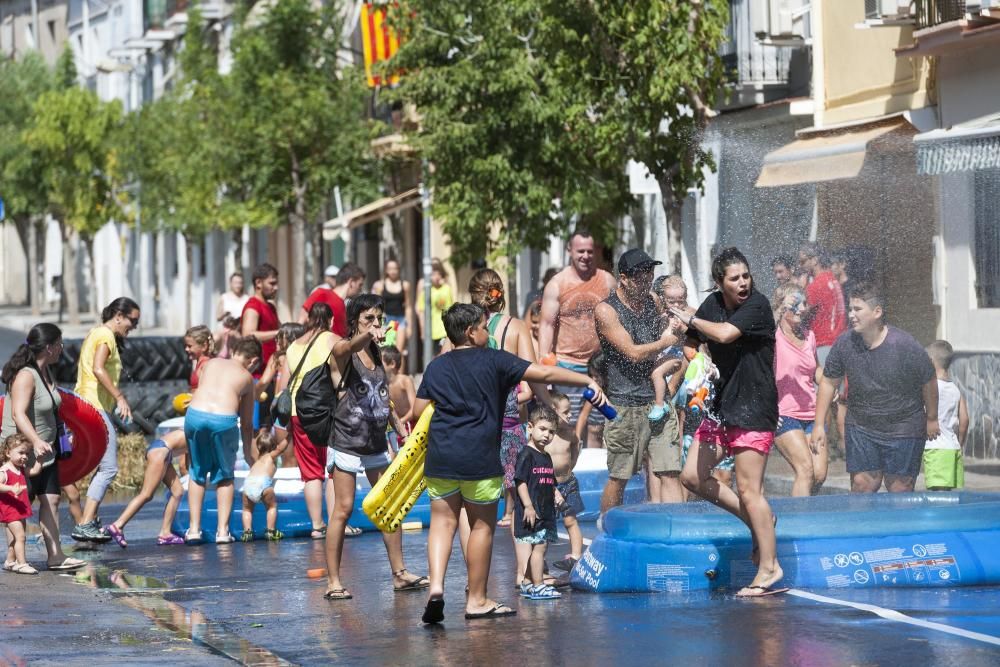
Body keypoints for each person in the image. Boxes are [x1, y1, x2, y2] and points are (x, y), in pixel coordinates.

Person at [413, 303, 607, 624]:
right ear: (469, 332)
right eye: (483, 327)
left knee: (442, 523)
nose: (487, 332)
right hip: (480, 458)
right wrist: (585, 381)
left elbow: (420, 411)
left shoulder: (437, 366)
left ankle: (436, 587)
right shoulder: (495, 360)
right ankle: (476, 600)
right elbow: (542, 373)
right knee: (481, 526)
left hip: (441, 456)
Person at [669, 247, 784, 597]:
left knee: (751, 490)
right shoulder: (713, 306)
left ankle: (770, 567)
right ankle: (758, 520)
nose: (743, 282)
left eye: (745, 275)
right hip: (721, 407)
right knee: (691, 476)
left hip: (753, 408)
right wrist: (697, 359)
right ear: (720, 283)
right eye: (734, 278)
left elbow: (723, 335)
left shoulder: (758, 306)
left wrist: (690, 318)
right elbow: (692, 342)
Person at [323, 294, 427, 600]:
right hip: (346, 441)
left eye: (379, 319)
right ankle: (333, 581)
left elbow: (382, 395)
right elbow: (344, 347)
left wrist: (399, 428)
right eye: (369, 319)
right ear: (354, 321)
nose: (376, 325)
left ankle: (399, 574)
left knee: (389, 506)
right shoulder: (343, 351)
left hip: (376, 442)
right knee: (342, 509)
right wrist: (366, 334)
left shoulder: (376, 350)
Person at [812, 283, 939, 494]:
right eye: (850, 309)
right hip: (862, 426)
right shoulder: (845, 344)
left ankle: (899, 528)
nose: (851, 315)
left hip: (903, 425)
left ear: (877, 312)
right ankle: (862, 527)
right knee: (862, 485)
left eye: (857, 309)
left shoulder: (904, 345)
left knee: (900, 488)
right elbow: (828, 382)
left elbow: (929, 379)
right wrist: (818, 425)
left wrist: (932, 418)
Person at [595, 249, 684, 511]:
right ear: (624, 278)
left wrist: (673, 334)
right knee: (620, 476)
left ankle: (675, 533)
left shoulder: (653, 301)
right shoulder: (606, 310)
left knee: (669, 471)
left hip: (658, 402)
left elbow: (665, 338)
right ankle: (607, 527)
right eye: (641, 277)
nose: (647, 281)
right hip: (624, 405)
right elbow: (632, 353)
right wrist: (666, 341)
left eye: (650, 275)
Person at [0, 323, 86, 570]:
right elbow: (18, 414)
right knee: (19, 504)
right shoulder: (25, 375)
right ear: (48, 347)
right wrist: (36, 441)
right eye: (59, 344)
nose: (62, 349)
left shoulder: (46, 371)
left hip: (46, 451)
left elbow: (51, 409)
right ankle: (15, 559)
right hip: (23, 451)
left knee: (51, 499)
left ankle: (55, 556)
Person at [469, 269, 539, 529]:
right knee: (520, 492)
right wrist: (552, 407)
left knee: (475, 505)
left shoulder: (467, 329)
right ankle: (525, 568)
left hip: (476, 422)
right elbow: (533, 378)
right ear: (500, 293)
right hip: (511, 422)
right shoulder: (516, 328)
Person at [538, 231, 617, 448]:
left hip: (600, 366)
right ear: (570, 251)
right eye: (580, 251)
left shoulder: (607, 281)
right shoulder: (557, 283)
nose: (585, 256)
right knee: (566, 425)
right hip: (567, 365)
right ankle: (566, 475)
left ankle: (594, 478)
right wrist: (544, 361)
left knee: (598, 426)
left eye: (590, 251)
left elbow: (618, 321)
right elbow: (546, 324)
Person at [72, 297, 141, 542]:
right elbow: (98, 368)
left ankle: (87, 521)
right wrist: (120, 397)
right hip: (95, 408)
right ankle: (86, 523)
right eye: (132, 320)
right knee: (110, 468)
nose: (134, 326)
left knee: (101, 466)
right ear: (118, 315)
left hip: (87, 406)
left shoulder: (98, 333)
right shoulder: (105, 335)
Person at [183, 337, 260, 544]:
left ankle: (193, 529)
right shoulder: (246, 377)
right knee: (225, 476)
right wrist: (248, 454)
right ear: (252, 361)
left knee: (197, 472)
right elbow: (246, 423)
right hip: (223, 420)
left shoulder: (211, 363)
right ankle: (223, 531)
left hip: (195, 415)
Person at [279, 304, 338, 539]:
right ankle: (336, 524)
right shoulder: (333, 339)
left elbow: (282, 385)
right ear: (331, 320)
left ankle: (317, 525)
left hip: (297, 412)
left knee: (311, 472)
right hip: (325, 411)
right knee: (333, 469)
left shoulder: (294, 345)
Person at [771, 284, 826, 496]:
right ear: (781, 307)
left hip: (812, 414)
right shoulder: (772, 337)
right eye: (796, 303)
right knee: (806, 470)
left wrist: (829, 386)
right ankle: (799, 522)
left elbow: (815, 370)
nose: (803, 308)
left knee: (819, 474)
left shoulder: (809, 336)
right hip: (784, 414)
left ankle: (802, 509)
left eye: (804, 303)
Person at [104, 430, 187, 547]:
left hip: (162, 449)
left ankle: (165, 533)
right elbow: (184, 466)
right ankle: (117, 525)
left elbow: (186, 465)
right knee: (146, 494)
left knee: (177, 492)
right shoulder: (199, 435)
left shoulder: (195, 429)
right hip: (161, 451)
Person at [514, 404, 562, 601]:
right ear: (530, 427)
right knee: (539, 547)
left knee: (540, 546)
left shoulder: (546, 457)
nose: (547, 435)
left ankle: (527, 583)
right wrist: (528, 506)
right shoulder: (526, 454)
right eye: (542, 429)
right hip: (532, 512)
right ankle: (538, 585)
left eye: (551, 432)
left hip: (546, 511)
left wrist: (556, 493)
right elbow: (520, 482)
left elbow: (550, 480)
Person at [923, 340, 969, 491]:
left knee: (938, 498)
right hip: (953, 448)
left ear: (930, 361)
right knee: (949, 497)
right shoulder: (955, 389)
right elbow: (964, 420)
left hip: (936, 448)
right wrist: (960, 443)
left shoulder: (929, 387)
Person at [547, 392, 584, 573]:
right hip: (548, 485)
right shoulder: (547, 436)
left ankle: (575, 556)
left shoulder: (570, 434)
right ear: (553, 411)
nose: (570, 415)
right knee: (545, 523)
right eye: (566, 411)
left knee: (571, 520)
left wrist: (571, 466)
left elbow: (576, 449)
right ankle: (540, 560)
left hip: (568, 483)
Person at [242, 263, 280, 429]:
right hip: (257, 377)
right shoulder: (253, 306)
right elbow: (248, 334)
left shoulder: (270, 306)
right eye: (272, 283)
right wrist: (279, 332)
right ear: (258, 283)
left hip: (271, 375)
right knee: (257, 429)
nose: (276, 287)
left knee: (269, 426)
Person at [648, 275, 688, 422]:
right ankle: (661, 401)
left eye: (680, 301)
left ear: (686, 298)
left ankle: (660, 405)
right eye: (672, 302)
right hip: (665, 356)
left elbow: (692, 332)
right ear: (663, 300)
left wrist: (681, 327)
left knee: (657, 373)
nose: (676, 305)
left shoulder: (684, 316)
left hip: (676, 357)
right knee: (653, 373)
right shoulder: (663, 315)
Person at [800, 243, 846, 365]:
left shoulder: (816, 285)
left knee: (824, 383)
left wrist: (800, 289)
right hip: (839, 341)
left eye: (803, 261)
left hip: (823, 343)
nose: (801, 266)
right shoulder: (833, 279)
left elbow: (800, 314)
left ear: (815, 260)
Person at [0, 433, 40, 575]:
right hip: (10, 510)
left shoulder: (20, 469)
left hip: (19, 509)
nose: (24, 456)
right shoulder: (4, 470)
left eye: (27, 453)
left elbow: (35, 471)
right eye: (21, 452)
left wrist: (40, 459)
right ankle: (22, 564)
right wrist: (11, 488)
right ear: (8, 452)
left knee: (15, 538)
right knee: (21, 537)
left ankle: (10, 562)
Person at [241, 430, 287, 542]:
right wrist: (289, 436)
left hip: (248, 485)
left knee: (247, 510)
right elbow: (282, 448)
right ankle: (270, 531)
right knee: (271, 507)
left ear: (258, 448)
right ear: (273, 446)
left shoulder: (257, 461)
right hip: (263, 484)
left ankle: (247, 532)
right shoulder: (271, 456)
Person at [299, 263, 366, 337]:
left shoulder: (345, 307)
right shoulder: (322, 293)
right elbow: (302, 320)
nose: (360, 290)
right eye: (360, 285)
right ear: (351, 282)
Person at [372, 259, 412, 363]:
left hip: (400, 319)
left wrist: (409, 326)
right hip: (386, 319)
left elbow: (408, 306)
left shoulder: (405, 285)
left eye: (395, 268)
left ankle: (399, 377)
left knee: (399, 351)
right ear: (386, 270)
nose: (393, 271)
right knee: (384, 350)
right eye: (390, 268)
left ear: (399, 270)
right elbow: (378, 307)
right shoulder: (380, 285)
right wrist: (378, 324)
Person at [415, 263, 453, 356]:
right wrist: (422, 330)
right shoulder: (426, 292)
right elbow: (421, 313)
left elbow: (450, 309)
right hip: (431, 331)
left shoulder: (447, 289)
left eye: (438, 274)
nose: (436, 277)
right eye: (433, 274)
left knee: (445, 355)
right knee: (434, 357)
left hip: (444, 330)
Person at [381, 346, 415, 450]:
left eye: (380, 361)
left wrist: (401, 421)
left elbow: (414, 409)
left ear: (392, 364)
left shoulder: (405, 381)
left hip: (409, 424)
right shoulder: (383, 384)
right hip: (395, 425)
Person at [184, 325, 214, 390]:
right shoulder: (200, 362)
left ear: (204, 346)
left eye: (189, 346)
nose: (186, 349)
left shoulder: (205, 366)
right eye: (186, 345)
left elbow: (206, 392)